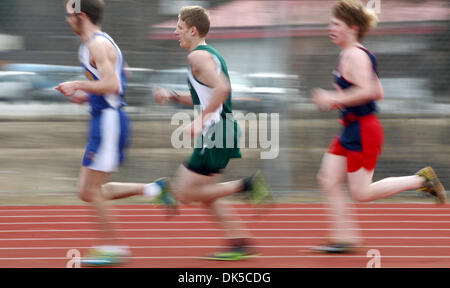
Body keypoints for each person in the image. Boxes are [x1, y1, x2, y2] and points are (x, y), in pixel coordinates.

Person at [102, 5, 272, 261]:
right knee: (207, 195)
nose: (175, 32)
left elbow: (222, 89)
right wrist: (171, 95)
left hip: (216, 130)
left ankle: (247, 185)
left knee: (184, 193)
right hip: (222, 129)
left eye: (179, 28)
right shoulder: (208, 55)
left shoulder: (198, 57)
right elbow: (203, 98)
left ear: (193, 30)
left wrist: (200, 121)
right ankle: (241, 242)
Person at [310, 0, 446, 253]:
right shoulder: (349, 53)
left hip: (364, 130)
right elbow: (375, 88)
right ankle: (345, 238)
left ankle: (421, 180)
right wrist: (339, 102)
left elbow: (372, 91)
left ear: (352, 28)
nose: (330, 27)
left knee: (361, 193)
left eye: (336, 24)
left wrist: (334, 98)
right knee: (327, 179)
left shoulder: (356, 55)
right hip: (350, 127)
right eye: (331, 22)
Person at [56, 0, 137, 266]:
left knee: (91, 189)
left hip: (109, 122)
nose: (67, 20)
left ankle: (113, 247)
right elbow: (120, 77)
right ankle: (151, 190)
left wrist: (77, 84)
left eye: (70, 16)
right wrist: (84, 97)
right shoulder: (92, 44)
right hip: (103, 118)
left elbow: (113, 84)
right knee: (86, 190)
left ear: (81, 15)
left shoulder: (97, 44)